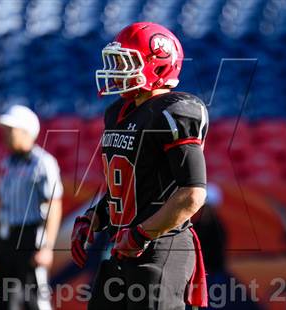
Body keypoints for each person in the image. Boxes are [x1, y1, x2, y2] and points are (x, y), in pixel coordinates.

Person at [71, 22, 209, 309]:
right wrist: (94, 217)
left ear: (157, 65)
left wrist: (141, 234)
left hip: (160, 246)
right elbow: (128, 186)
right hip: (123, 249)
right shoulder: (117, 113)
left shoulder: (175, 110)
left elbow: (193, 193)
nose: (118, 69)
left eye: (126, 61)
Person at [0, 105, 63, 310]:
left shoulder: (43, 163)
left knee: (34, 300)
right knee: (6, 301)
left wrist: (47, 246)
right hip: (6, 238)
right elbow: (3, 205)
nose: (5, 135)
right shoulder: (6, 163)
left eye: (10, 130)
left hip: (30, 237)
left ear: (26, 131)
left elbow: (54, 204)